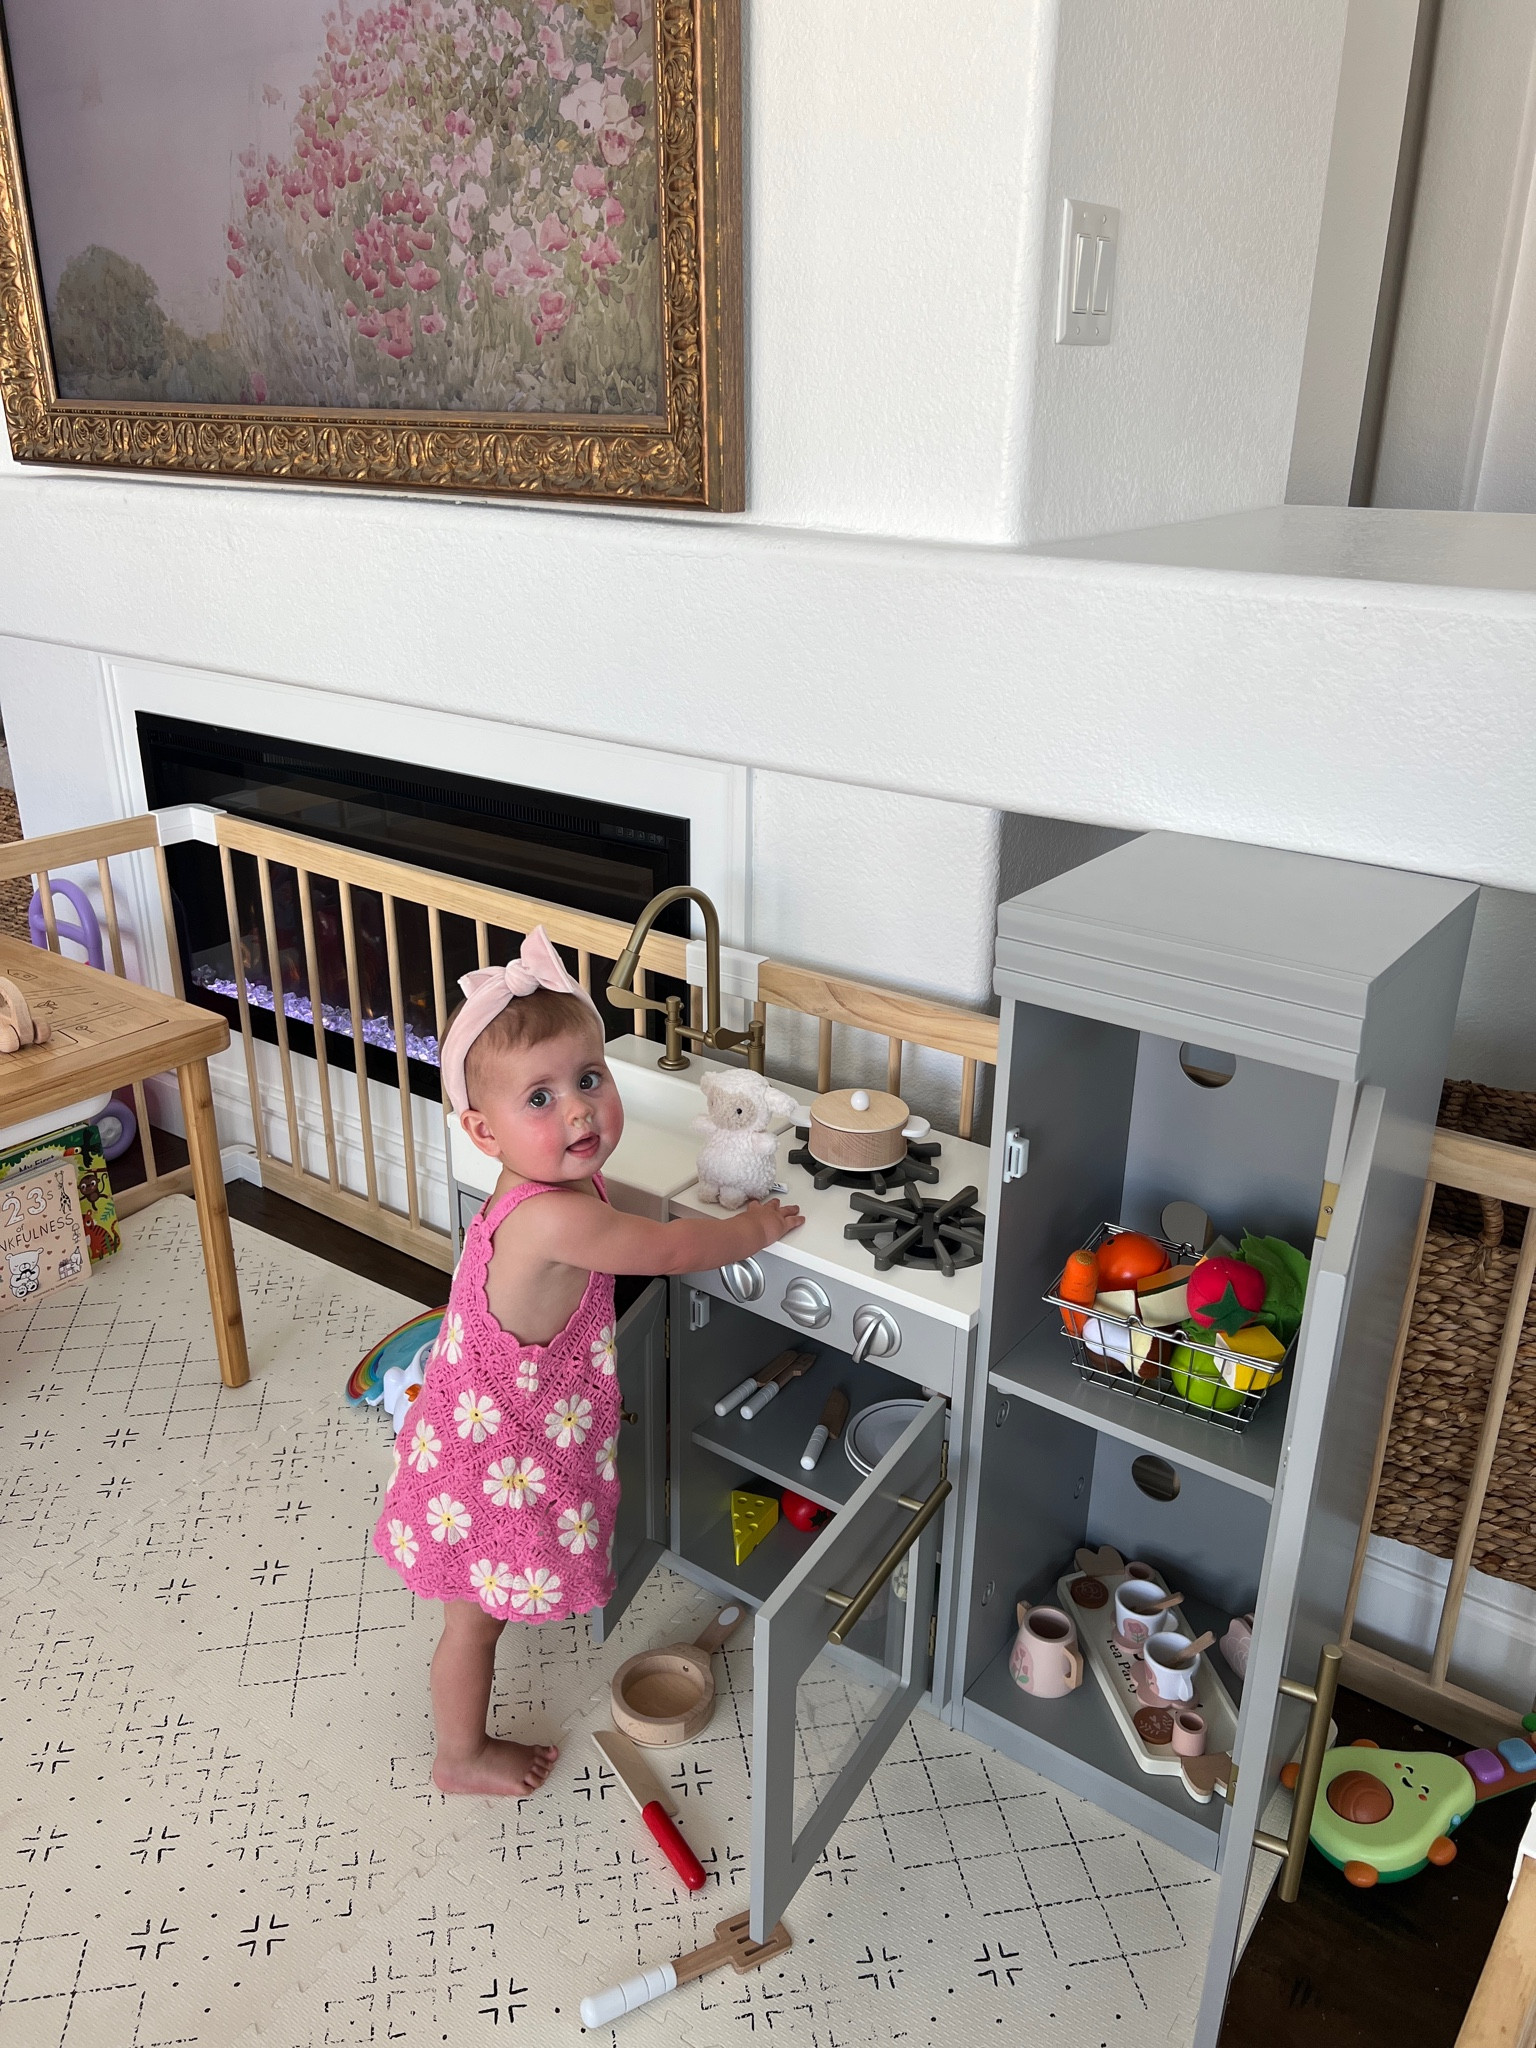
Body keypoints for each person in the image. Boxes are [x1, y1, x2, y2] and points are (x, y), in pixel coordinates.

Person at [373, 929, 803, 1797]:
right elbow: (672, 1248)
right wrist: (750, 1229)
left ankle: (460, 1743)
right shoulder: (557, 1219)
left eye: (588, 1079)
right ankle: (459, 1754)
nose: (578, 1111)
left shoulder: (526, 1185)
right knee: (472, 1627)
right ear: (483, 1131)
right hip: (500, 1463)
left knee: (470, 1619)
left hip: (469, 1436)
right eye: (542, 1097)